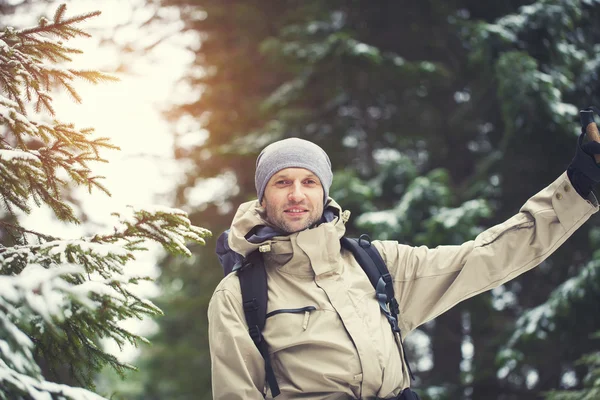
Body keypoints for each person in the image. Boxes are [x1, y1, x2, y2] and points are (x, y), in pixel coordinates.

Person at [208, 133, 600, 399]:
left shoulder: (377, 265)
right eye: (282, 182)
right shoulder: (239, 295)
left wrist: (578, 185)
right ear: (263, 196)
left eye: (309, 181)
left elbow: (487, 255)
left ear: (324, 192)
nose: (297, 194)